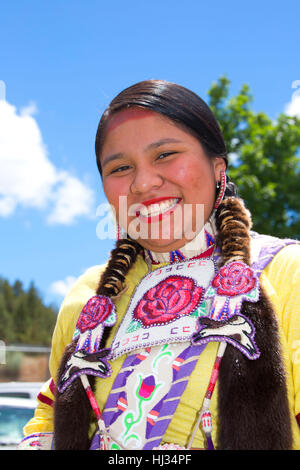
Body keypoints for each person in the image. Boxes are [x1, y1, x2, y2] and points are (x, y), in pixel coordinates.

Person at [19, 80, 300, 450]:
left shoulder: (285, 272)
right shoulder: (89, 298)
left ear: (218, 168)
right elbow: (47, 420)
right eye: (120, 167)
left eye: (165, 155)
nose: (144, 182)